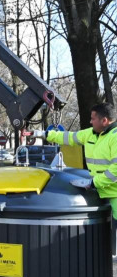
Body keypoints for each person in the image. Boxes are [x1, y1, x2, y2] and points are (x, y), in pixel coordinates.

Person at [32, 102, 117, 259]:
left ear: (104, 121)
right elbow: (68, 137)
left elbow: (116, 170)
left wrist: (92, 183)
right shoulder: (91, 134)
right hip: (105, 191)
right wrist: (40, 134)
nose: (90, 122)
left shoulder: (115, 137)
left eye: (93, 119)